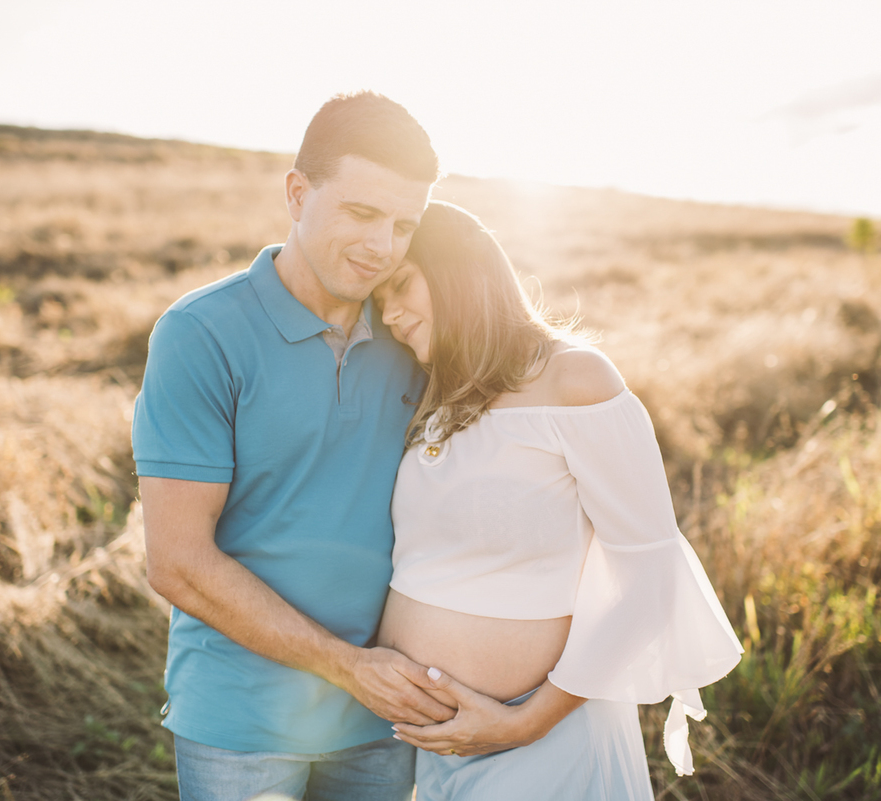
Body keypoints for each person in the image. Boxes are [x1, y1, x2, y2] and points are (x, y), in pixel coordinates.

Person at [131, 92, 455, 801]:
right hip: (241, 718)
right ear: (297, 193)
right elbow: (177, 562)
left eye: (404, 225)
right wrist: (348, 665)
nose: (382, 245)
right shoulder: (200, 335)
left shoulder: (413, 334)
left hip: (383, 716)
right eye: (363, 213)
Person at [371, 201, 744, 800]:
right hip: (436, 751)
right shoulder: (438, 391)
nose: (389, 314)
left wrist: (525, 722)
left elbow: (650, 570)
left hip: (545, 742)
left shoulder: (576, 380)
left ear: (458, 272)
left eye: (401, 286)